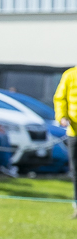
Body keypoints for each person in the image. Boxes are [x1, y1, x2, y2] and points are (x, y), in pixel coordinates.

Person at [53, 66, 77, 218]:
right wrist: (62, 116)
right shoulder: (69, 75)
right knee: (75, 171)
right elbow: (60, 98)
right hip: (74, 132)